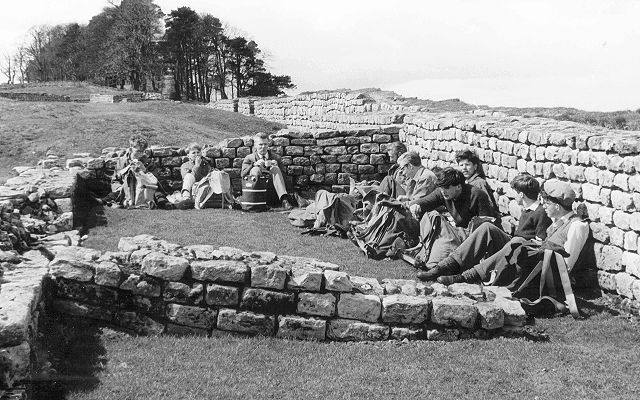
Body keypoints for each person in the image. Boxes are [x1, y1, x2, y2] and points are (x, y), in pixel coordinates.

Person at [436, 180, 591, 305]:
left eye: (546, 203)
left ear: (557, 206)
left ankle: (468, 276)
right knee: (488, 228)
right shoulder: (558, 222)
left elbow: (566, 265)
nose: (543, 206)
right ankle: (449, 266)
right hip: (538, 264)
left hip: (547, 275)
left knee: (517, 241)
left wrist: (533, 249)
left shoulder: (577, 226)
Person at [420, 173, 552, 282]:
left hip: (523, 254)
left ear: (521, 195)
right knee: (486, 227)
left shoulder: (540, 213)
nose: (514, 197)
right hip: (514, 248)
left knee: (514, 240)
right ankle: (443, 267)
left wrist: (518, 240)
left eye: (515, 193)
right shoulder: (527, 210)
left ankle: (465, 276)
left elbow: (540, 243)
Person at [407, 167, 499, 270]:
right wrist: (416, 205)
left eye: (446, 188)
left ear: (459, 186)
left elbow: (486, 224)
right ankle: (430, 259)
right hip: (457, 233)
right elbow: (425, 201)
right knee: (431, 216)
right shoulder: (443, 193)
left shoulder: (477, 195)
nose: (442, 191)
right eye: (441, 188)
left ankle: (435, 264)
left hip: (471, 239)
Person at [350, 151, 437, 259]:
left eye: (402, 168)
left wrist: (400, 203)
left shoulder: (425, 178)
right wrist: (406, 199)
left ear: (410, 166)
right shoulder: (420, 175)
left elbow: (418, 205)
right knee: (389, 198)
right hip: (416, 212)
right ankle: (370, 232)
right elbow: (417, 199)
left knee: (392, 210)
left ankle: (371, 235)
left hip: (420, 219)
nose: (403, 173)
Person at [102, 135, 170, 209]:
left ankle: (164, 203)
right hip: (127, 189)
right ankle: (102, 202)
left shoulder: (148, 162)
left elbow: (155, 181)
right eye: (138, 151)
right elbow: (115, 180)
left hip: (144, 189)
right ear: (131, 149)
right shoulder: (122, 162)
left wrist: (144, 170)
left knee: (156, 192)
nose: (140, 154)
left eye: (143, 152)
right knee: (117, 193)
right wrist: (119, 188)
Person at [241, 132, 292, 210]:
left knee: (275, 169)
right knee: (255, 169)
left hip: (272, 191)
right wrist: (253, 165)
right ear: (255, 145)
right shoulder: (249, 158)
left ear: (268, 145)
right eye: (260, 145)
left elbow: (285, 178)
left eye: (265, 144)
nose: (263, 147)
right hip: (256, 192)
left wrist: (277, 167)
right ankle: (257, 203)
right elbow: (243, 175)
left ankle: (284, 200)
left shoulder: (276, 158)